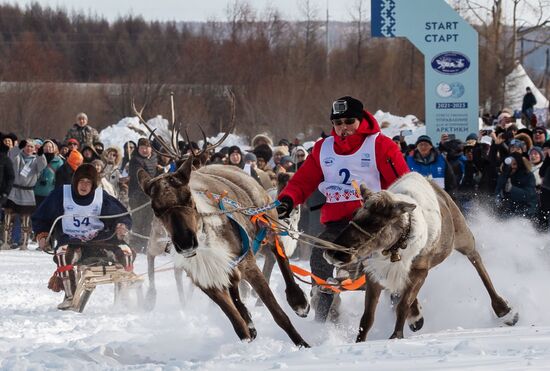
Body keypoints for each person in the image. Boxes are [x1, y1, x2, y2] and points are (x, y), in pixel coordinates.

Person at [277, 96, 409, 322]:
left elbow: (403, 182)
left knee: (390, 262)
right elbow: (302, 182)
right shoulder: (323, 148)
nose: (343, 128)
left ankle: (400, 308)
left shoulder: (380, 145)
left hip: (376, 222)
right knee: (320, 255)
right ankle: (324, 317)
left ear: (360, 120)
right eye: (338, 123)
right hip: (338, 224)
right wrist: (288, 199)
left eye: (349, 121)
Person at [32, 164, 133, 310]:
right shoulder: (61, 194)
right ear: (75, 182)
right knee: (62, 254)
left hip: (100, 241)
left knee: (126, 252)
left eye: (88, 182)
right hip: (72, 242)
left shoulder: (101, 196)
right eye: (81, 181)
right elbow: (41, 217)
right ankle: (70, 296)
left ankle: (123, 297)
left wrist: (121, 225)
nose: (84, 186)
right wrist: (42, 236)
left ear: (93, 185)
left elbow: (121, 215)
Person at [2, 139, 47, 250]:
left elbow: (43, 166)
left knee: (25, 220)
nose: (29, 148)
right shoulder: (18, 157)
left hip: (27, 192)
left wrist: (40, 154)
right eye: (27, 146)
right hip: (14, 190)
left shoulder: (36, 160)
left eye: (31, 147)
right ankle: (6, 241)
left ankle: (24, 243)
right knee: (8, 218)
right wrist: (18, 147)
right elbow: (11, 156)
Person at [128, 138, 158, 253]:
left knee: (149, 220)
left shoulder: (154, 158)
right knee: (138, 220)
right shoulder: (135, 160)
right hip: (138, 195)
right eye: (142, 148)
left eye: (147, 147)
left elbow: (155, 172)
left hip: (151, 196)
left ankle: (146, 244)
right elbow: (139, 176)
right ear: (138, 148)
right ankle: (135, 244)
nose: (145, 150)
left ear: (150, 148)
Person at [34, 140, 64, 206]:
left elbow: (61, 177)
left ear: (54, 149)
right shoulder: (37, 158)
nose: (48, 148)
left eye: (50, 147)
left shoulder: (59, 161)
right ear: (42, 148)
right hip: (37, 190)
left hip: (51, 191)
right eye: (46, 147)